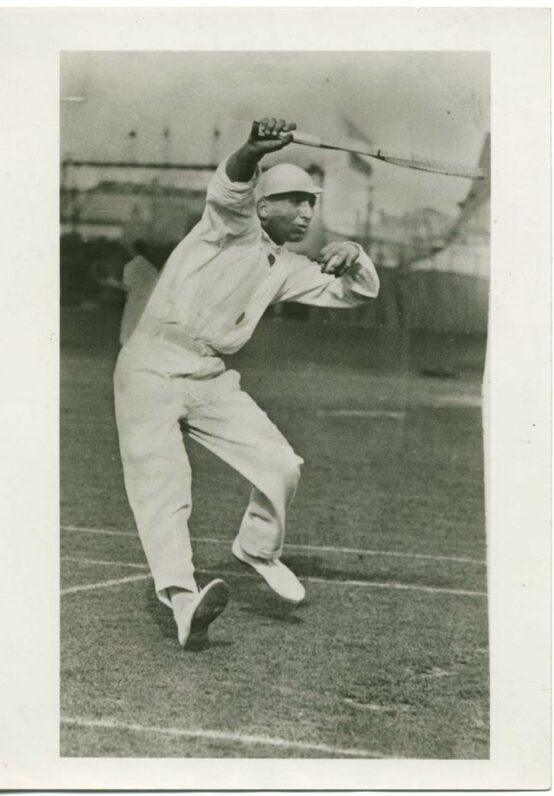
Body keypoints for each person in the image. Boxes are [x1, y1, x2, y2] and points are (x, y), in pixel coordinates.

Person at [114, 117, 380, 650]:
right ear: (262, 206)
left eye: (312, 203)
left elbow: (357, 293)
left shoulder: (287, 265)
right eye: (294, 201)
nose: (306, 213)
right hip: (149, 368)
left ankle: (257, 548)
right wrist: (252, 150)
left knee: (282, 465)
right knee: (163, 488)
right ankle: (184, 600)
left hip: (210, 377)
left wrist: (354, 256)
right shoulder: (231, 226)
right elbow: (233, 181)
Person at [93, 240, 160, 345]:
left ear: (133, 251)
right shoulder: (152, 268)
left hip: (134, 303)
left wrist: (110, 282)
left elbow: (127, 286)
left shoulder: (130, 266)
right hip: (148, 304)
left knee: (128, 334)